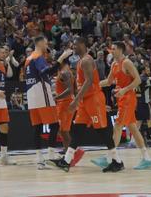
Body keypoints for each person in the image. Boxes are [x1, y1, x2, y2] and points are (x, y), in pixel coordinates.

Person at [48, 37, 117, 172]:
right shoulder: (81, 61)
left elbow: (89, 81)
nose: (73, 47)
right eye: (72, 45)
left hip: (93, 99)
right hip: (86, 100)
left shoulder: (86, 60)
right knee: (78, 130)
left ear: (83, 44)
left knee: (102, 130)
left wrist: (75, 100)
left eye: (75, 44)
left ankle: (117, 161)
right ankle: (66, 161)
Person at [97, 41, 151, 170]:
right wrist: (94, 84)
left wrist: (124, 90)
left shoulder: (127, 62)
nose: (112, 51)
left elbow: (138, 80)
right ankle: (147, 158)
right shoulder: (114, 64)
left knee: (117, 125)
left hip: (128, 98)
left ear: (121, 50)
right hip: (121, 98)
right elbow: (109, 81)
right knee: (133, 128)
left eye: (114, 49)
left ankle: (109, 157)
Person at [24, 36, 71, 170]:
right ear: (40, 43)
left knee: (37, 127)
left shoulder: (28, 58)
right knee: (55, 124)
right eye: (46, 42)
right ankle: (51, 153)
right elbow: (46, 71)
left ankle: (39, 158)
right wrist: (61, 59)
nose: (47, 45)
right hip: (41, 93)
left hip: (31, 95)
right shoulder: (38, 56)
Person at [54, 59, 75, 152]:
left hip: (64, 104)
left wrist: (57, 97)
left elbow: (70, 90)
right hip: (66, 103)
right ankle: (67, 150)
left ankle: (70, 151)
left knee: (62, 130)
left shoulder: (64, 73)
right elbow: (74, 89)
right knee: (63, 130)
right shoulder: (68, 72)